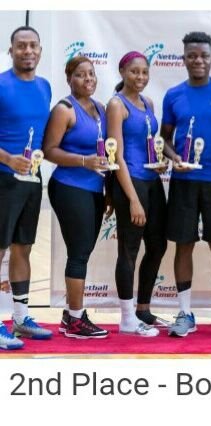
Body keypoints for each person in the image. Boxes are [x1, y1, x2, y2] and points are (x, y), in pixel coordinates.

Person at [160, 31, 211, 338]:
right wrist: (173, 158)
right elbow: (165, 139)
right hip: (183, 181)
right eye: (192, 55)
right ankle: (185, 313)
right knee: (184, 246)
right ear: (183, 59)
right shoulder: (173, 95)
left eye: (203, 55)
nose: (198, 60)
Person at [43, 56, 109, 339]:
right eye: (81, 75)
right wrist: (84, 161)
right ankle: (76, 321)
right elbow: (49, 150)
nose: (88, 79)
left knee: (83, 251)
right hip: (69, 186)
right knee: (79, 253)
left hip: (95, 189)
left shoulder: (101, 109)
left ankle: (71, 314)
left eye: (92, 74)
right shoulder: (64, 109)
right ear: (69, 79)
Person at [106, 51, 167, 337]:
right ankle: (127, 318)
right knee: (129, 250)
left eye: (144, 72)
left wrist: (167, 159)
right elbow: (115, 155)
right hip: (129, 182)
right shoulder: (116, 105)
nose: (140, 77)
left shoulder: (148, 103)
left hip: (152, 181)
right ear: (122, 72)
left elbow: (151, 143)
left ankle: (143, 309)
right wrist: (132, 198)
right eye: (134, 72)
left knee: (157, 246)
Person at [0, 26, 53, 350]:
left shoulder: (45, 87)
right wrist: (7, 158)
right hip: (3, 179)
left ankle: (21, 317)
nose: (28, 51)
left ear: (40, 50)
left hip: (32, 181)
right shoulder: (1, 84)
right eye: (21, 46)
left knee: (23, 248)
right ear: (11, 50)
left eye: (33, 45)